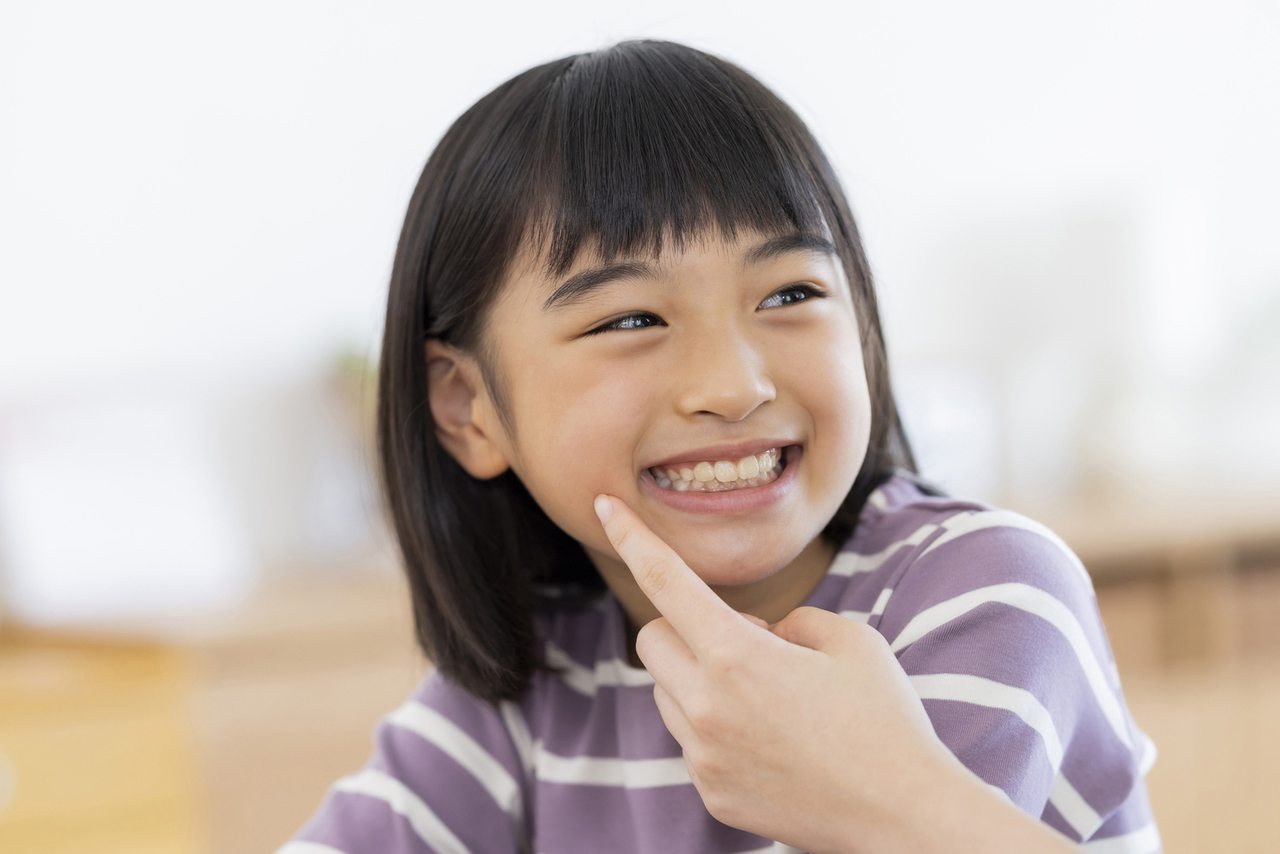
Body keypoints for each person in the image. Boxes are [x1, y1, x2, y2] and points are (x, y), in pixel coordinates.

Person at [279, 40, 1160, 854]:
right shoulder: (534, 680)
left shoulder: (985, 592)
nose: (734, 385)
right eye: (630, 318)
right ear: (470, 408)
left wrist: (879, 787)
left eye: (788, 295)